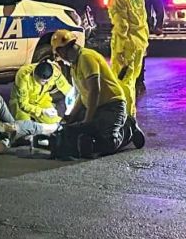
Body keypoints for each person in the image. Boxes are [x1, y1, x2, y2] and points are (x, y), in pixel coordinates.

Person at [51, 29, 143, 159]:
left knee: (108, 143)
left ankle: (129, 127)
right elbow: (82, 96)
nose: (61, 59)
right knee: (73, 129)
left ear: (62, 51)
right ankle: (92, 138)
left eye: (59, 55)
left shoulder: (86, 57)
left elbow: (95, 90)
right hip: (96, 106)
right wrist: (70, 117)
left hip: (112, 105)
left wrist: (88, 120)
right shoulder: (74, 66)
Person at [95, 0, 149, 118]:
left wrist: (119, 51)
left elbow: (121, 28)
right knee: (131, 78)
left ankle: (127, 115)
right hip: (140, 42)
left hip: (127, 46)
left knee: (124, 81)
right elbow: (144, 20)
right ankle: (128, 114)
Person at [125, 0, 164, 94]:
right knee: (127, 54)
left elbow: (158, 5)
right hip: (126, 26)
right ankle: (130, 80)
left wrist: (159, 25)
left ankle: (139, 81)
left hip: (142, 26)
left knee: (139, 54)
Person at [9, 59, 72, 124]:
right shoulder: (23, 76)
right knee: (25, 127)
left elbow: (67, 88)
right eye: (43, 81)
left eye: (48, 80)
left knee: (55, 121)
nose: (46, 83)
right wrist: (42, 111)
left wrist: (73, 98)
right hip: (21, 103)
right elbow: (23, 105)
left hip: (42, 100)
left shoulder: (54, 72)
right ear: (35, 75)